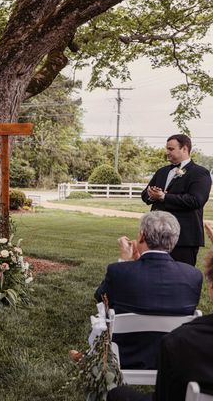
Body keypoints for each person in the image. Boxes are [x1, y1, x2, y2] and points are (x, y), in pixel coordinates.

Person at [94, 210, 202, 369]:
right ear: (174, 240)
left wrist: (124, 262)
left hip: (124, 355)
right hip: (173, 358)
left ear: (141, 236)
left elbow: (100, 298)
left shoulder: (119, 271)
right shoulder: (193, 275)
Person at [106, 249, 213, 401]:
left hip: (132, 356)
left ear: (211, 289)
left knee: (117, 395)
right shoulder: (191, 275)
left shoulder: (181, 342)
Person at [142, 134, 211, 266]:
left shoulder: (200, 173)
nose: (167, 152)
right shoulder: (161, 171)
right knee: (154, 275)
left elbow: (196, 200)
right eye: (167, 149)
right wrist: (151, 195)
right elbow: (145, 194)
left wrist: (163, 197)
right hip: (156, 236)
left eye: (171, 149)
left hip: (184, 237)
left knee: (181, 277)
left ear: (184, 149)